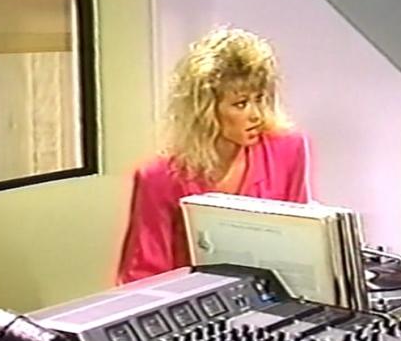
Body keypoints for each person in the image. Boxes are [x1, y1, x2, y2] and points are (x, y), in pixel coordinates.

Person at [117, 27, 312, 284]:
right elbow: (145, 273)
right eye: (241, 104)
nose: (256, 115)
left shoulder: (288, 150)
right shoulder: (160, 177)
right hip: (193, 298)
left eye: (260, 99)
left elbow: (298, 243)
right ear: (206, 109)